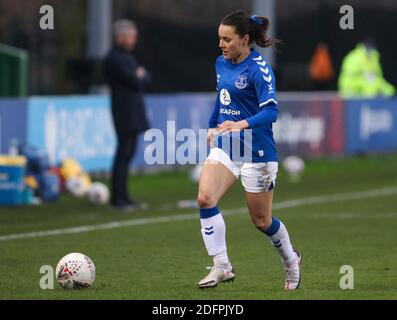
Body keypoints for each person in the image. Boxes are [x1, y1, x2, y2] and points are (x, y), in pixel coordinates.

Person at [196, 10, 301, 290]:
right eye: (219, 38)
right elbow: (222, 98)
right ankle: (221, 266)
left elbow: (272, 113)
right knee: (205, 198)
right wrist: (211, 125)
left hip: (258, 151)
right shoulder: (222, 63)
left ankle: (291, 260)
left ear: (244, 40)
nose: (221, 44)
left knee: (261, 220)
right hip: (229, 145)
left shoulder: (258, 69)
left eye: (227, 39)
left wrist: (241, 124)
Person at [104, 20, 151, 211]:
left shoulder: (126, 57)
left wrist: (140, 76)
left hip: (132, 111)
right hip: (124, 111)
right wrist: (139, 76)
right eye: (131, 36)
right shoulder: (114, 58)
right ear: (120, 37)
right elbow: (134, 80)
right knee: (123, 154)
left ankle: (124, 196)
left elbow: (146, 78)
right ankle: (117, 199)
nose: (134, 40)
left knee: (128, 154)